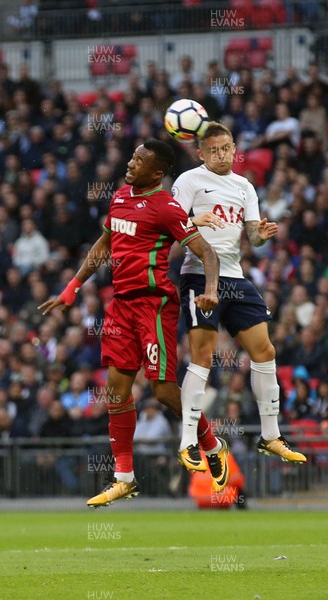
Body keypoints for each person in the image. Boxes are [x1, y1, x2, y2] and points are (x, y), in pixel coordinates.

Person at [39, 139, 228, 508]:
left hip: (153, 305)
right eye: (131, 156)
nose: (130, 162)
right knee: (115, 392)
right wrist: (72, 287)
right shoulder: (121, 197)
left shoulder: (166, 208)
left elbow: (207, 252)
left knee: (163, 391)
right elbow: (103, 245)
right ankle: (124, 477)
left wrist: (211, 291)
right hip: (120, 307)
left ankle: (211, 443)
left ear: (156, 172)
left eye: (139, 160)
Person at [172, 122, 306, 464]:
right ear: (201, 154)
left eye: (226, 148)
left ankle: (271, 436)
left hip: (235, 277)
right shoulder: (189, 181)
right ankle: (189, 441)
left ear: (234, 149)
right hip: (199, 275)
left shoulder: (244, 186)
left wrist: (260, 234)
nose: (221, 155)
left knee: (265, 349)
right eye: (213, 150)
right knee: (202, 356)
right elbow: (167, 229)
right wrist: (194, 220)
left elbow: (253, 239)